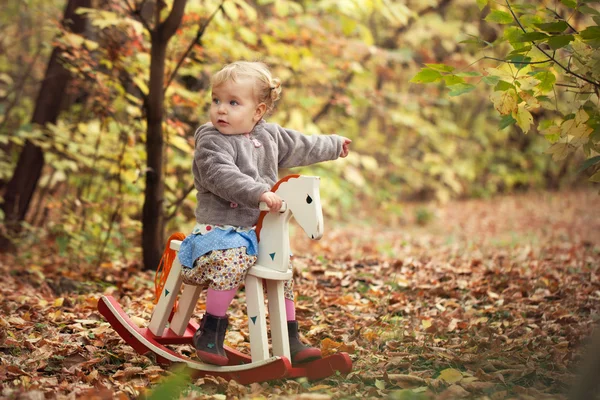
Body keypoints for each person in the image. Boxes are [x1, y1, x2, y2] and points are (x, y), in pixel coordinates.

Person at [177, 61, 351, 366]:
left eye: (233, 103)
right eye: (216, 100)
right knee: (231, 261)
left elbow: (303, 145)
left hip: (257, 231)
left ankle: (290, 338)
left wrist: (334, 145)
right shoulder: (210, 140)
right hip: (220, 231)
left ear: (257, 111)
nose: (221, 110)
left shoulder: (268, 136)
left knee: (283, 271)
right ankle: (211, 329)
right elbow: (221, 175)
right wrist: (258, 192)